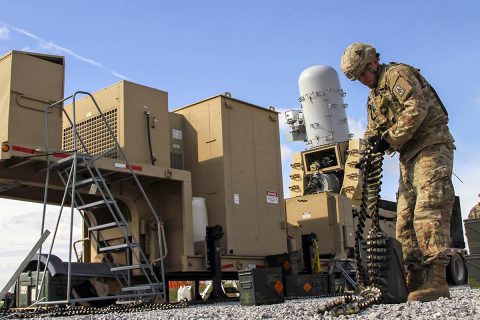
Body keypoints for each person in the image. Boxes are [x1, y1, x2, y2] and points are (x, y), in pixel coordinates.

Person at [340, 43, 455, 302]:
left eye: (362, 74)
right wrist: (367, 151)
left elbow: (417, 107)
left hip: (431, 146)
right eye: (356, 78)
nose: (361, 81)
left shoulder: (396, 75)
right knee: (403, 221)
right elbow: (372, 131)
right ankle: (414, 279)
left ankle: (437, 280)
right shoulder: (374, 97)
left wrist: (389, 139)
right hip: (408, 156)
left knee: (429, 209)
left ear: (373, 63)